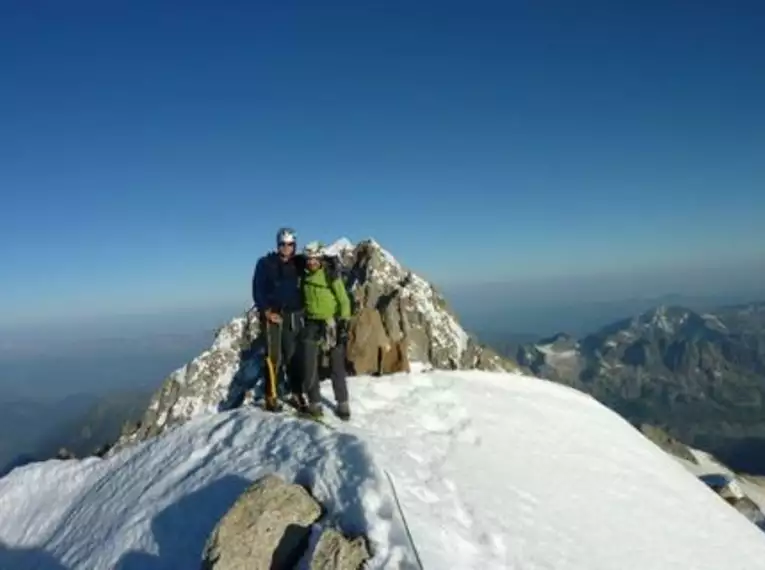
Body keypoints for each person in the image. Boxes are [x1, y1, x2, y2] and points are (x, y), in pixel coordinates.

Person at [252, 227, 305, 410]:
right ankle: (271, 396)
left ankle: (296, 393)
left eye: (290, 244)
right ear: (277, 245)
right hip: (273, 315)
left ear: (294, 245)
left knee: (293, 357)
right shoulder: (266, 264)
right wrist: (266, 311)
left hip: (293, 315)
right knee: (274, 356)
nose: (286, 248)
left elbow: (318, 265)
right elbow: (258, 289)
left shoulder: (299, 263)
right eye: (283, 244)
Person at [298, 241, 352, 420]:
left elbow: (343, 300)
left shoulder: (330, 274)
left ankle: (342, 403)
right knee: (309, 363)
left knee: (336, 363)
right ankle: (315, 403)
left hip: (331, 322)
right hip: (312, 322)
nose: (311, 262)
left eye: (315, 259)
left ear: (320, 258)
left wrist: (343, 323)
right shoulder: (304, 276)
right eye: (309, 259)